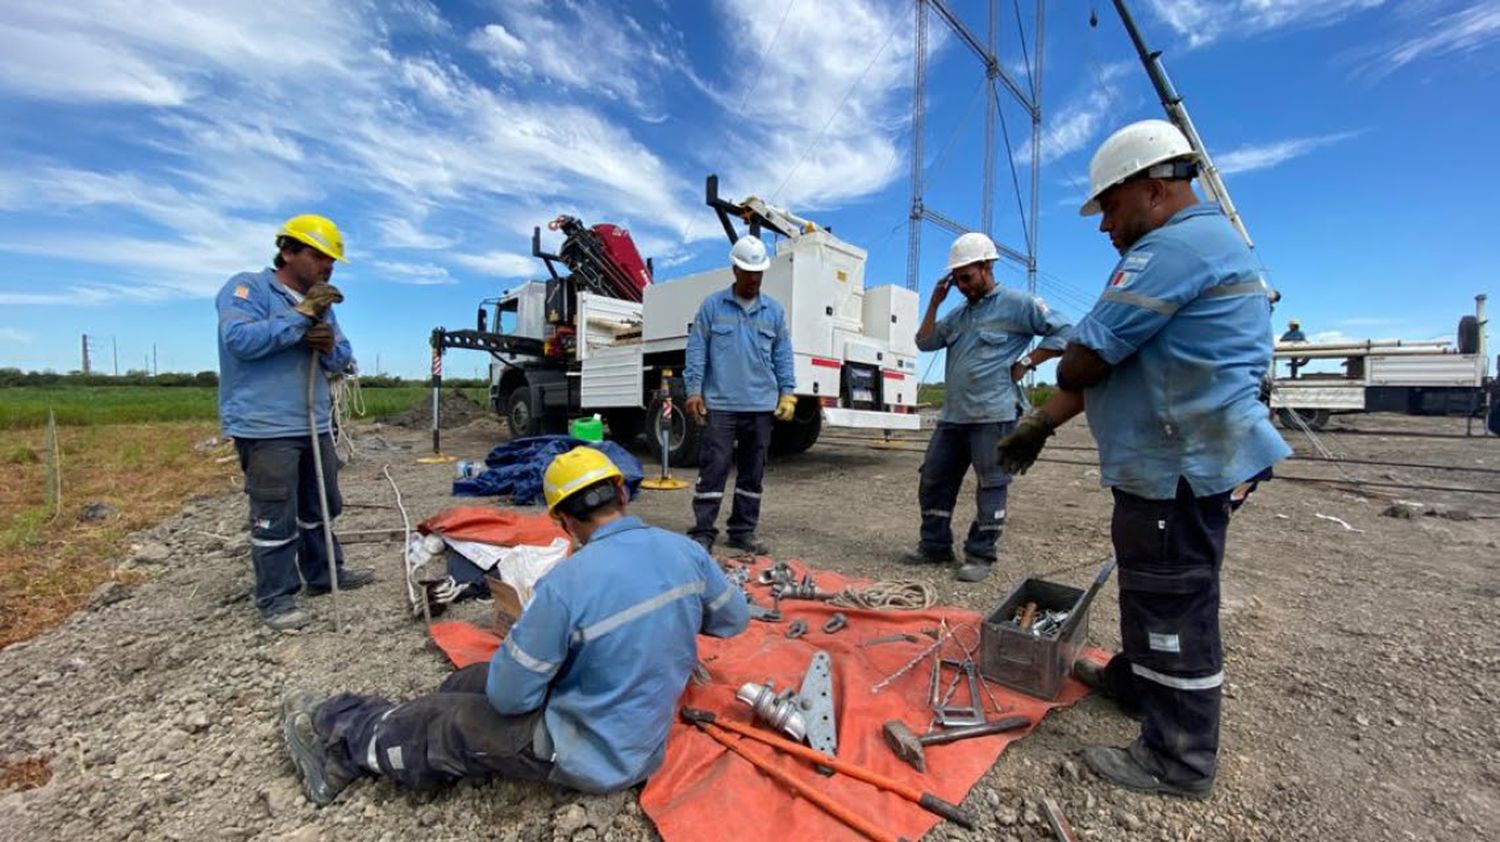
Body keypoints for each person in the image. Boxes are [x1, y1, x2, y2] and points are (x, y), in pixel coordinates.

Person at [997, 119, 1291, 799]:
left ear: (1153, 191)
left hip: (1179, 464)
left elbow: (1085, 357)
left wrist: (1059, 380)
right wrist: (1040, 423)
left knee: (1173, 602)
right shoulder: (1200, 244)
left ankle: (1177, 760)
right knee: (1154, 584)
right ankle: (1137, 683)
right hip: (1176, 461)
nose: (1104, 225)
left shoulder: (1171, 251)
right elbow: (1111, 367)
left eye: (1109, 206)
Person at [280, 447, 750, 805]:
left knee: (445, 722)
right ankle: (382, 728)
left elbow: (511, 698)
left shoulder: (567, 583)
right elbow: (733, 620)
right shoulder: (685, 552)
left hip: (593, 753)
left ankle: (341, 749)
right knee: (465, 682)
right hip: (636, 731)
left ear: (564, 520)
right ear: (622, 494)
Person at [217, 214, 373, 631]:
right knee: (274, 513)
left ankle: (325, 576)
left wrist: (326, 346)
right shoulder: (247, 288)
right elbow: (241, 341)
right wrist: (301, 318)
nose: (328, 267)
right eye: (319, 256)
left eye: (332, 262)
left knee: (321, 504)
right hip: (266, 427)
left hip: (314, 423)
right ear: (288, 251)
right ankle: (277, 597)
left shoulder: (321, 304)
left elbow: (343, 358)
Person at [905, 232, 1072, 582]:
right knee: (934, 479)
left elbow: (1065, 332)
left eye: (967, 277)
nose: (963, 286)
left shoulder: (1017, 303)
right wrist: (936, 302)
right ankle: (934, 547)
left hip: (993, 414)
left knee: (992, 483)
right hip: (953, 416)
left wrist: (1027, 361)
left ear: (986, 267)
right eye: (958, 279)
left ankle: (981, 554)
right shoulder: (958, 314)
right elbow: (924, 342)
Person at [682, 235, 797, 555]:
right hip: (720, 404)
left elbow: (783, 354)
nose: (753, 278)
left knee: (752, 472)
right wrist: (694, 391)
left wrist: (788, 392)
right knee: (714, 468)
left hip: (760, 405)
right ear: (734, 269)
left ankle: (743, 531)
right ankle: (703, 531)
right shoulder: (712, 306)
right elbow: (696, 351)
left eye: (758, 272)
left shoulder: (773, 311)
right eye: (748, 271)